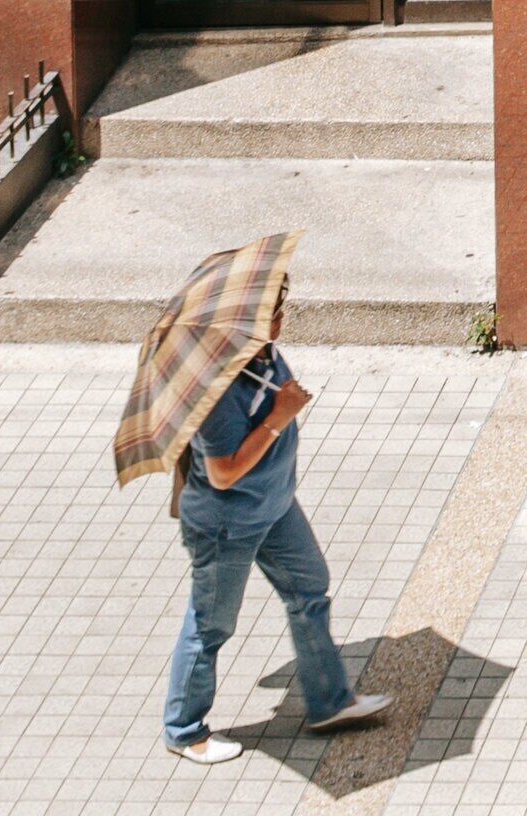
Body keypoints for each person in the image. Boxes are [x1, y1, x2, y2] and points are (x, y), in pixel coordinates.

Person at [161, 318, 393, 764]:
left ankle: (329, 702)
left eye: (280, 304)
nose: (279, 316)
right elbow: (222, 473)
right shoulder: (215, 387)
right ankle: (183, 730)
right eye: (272, 309)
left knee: (309, 589)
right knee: (211, 625)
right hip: (227, 526)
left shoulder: (264, 354)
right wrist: (278, 418)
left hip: (275, 506)